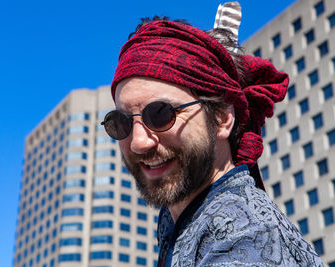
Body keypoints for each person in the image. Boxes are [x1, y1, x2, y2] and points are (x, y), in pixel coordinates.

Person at [101, 2, 324, 266]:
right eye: (121, 122)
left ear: (221, 118)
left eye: (160, 113)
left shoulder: (244, 235)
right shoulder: (179, 218)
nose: (138, 142)